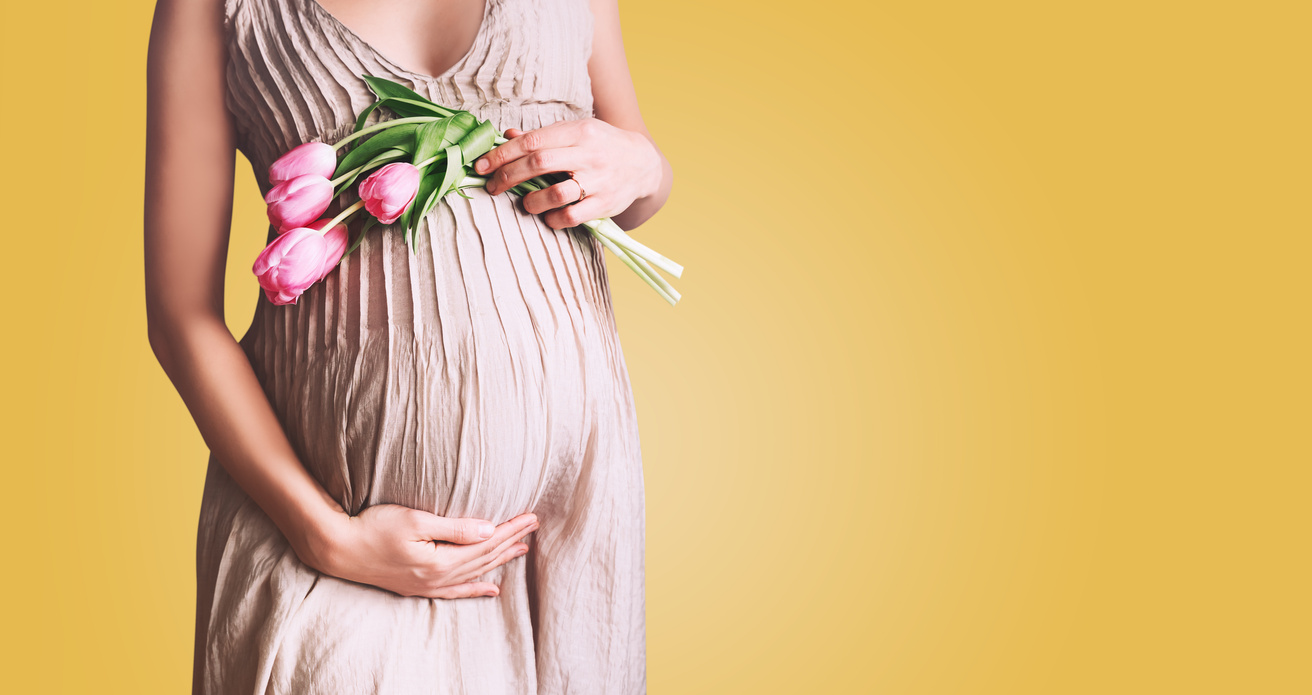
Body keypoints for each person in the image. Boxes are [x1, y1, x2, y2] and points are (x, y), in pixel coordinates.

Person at [143, 0, 672, 692]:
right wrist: (324, 534)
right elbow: (182, 316)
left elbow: (631, 184)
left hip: (562, 538)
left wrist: (644, 166)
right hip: (336, 536)